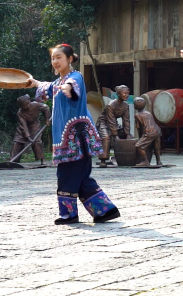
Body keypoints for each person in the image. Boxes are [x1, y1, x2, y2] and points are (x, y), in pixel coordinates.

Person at [27, 43, 121, 225]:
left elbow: (72, 86)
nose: (55, 61)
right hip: (68, 139)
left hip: (76, 139)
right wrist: (35, 83)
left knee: (67, 174)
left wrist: (67, 88)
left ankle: (68, 215)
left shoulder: (74, 77)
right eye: (53, 58)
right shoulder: (58, 83)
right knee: (80, 176)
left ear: (69, 59)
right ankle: (104, 211)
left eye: (59, 57)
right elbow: (47, 88)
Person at [96, 85, 131, 167]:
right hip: (103, 122)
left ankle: (120, 157)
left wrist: (127, 133)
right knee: (106, 137)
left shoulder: (125, 105)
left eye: (127, 93)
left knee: (126, 135)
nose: (126, 95)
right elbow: (111, 121)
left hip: (113, 122)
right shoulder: (111, 105)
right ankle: (103, 159)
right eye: (124, 93)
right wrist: (115, 135)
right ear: (118, 94)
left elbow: (126, 120)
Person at [10, 94, 51, 165]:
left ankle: (42, 159)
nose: (26, 106)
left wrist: (47, 119)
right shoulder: (20, 113)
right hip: (22, 129)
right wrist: (28, 137)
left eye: (27, 104)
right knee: (17, 142)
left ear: (29, 102)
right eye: (23, 106)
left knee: (37, 142)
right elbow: (23, 126)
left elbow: (46, 108)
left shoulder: (35, 105)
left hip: (35, 126)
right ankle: (13, 161)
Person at [134, 97, 162, 166]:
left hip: (149, 132)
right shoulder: (148, 113)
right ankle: (158, 161)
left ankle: (145, 161)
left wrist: (141, 138)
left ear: (135, 106)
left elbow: (139, 128)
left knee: (139, 146)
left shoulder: (137, 115)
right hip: (157, 131)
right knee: (156, 146)